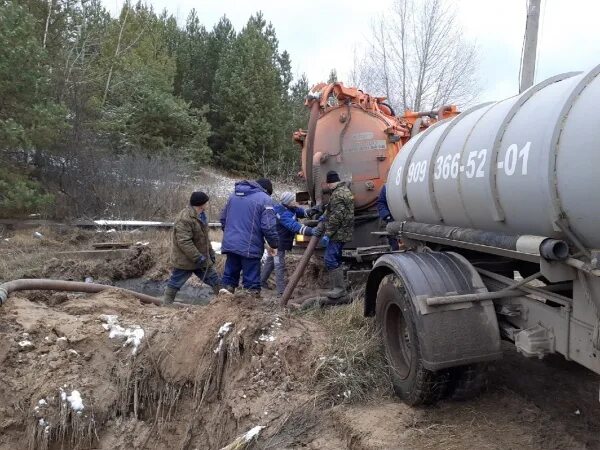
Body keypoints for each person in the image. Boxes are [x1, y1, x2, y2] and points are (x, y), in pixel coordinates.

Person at [220, 178, 279, 296]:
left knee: (229, 280)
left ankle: (223, 305)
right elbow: (268, 226)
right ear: (267, 191)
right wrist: (274, 244)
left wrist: (231, 235)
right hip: (250, 247)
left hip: (231, 244)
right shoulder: (265, 199)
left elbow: (223, 218)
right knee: (251, 283)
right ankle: (250, 305)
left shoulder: (233, 196)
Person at [162, 191, 223, 305]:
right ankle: (166, 305)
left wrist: (211, 253)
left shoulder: (201, 216)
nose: (207, 205)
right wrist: (197, 257)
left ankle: (223, 304)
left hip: (201, 259)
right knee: (175, 283)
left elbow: (204, 238)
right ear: (201, 204)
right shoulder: (184, 218)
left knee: (215, 280)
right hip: (186, 260)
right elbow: (184, 242)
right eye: (206, 203)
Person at [261, 191, 315, 296]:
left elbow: (303, 212)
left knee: (270, 262)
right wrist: (310, 231)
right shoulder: (282, 213)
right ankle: (282, 292)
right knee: (279, 265)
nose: (295, 201)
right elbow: (293, 225)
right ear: (288, 202)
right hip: (277, 243)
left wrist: (314, 210)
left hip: (280, 242)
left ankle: (261, 282)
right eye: (292, 200)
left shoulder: (291, 208)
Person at [318, 170, 354, 300]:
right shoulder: (343, 191)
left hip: (338, 233)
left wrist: (327, 234)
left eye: (328, 184)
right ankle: (339, 287)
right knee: (336, 258)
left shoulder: (338, 194)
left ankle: (339, 289)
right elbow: (332, 210)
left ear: (330, 183)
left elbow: (336, 217)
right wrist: (323, 216)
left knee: (330, 259)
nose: (327, 186)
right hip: (343, 231)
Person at [376, 184, 400, 251]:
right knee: (394, 245)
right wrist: (387, 216)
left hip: (408, 220)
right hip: (392, 220)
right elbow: (381, 203)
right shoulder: (387, 187)